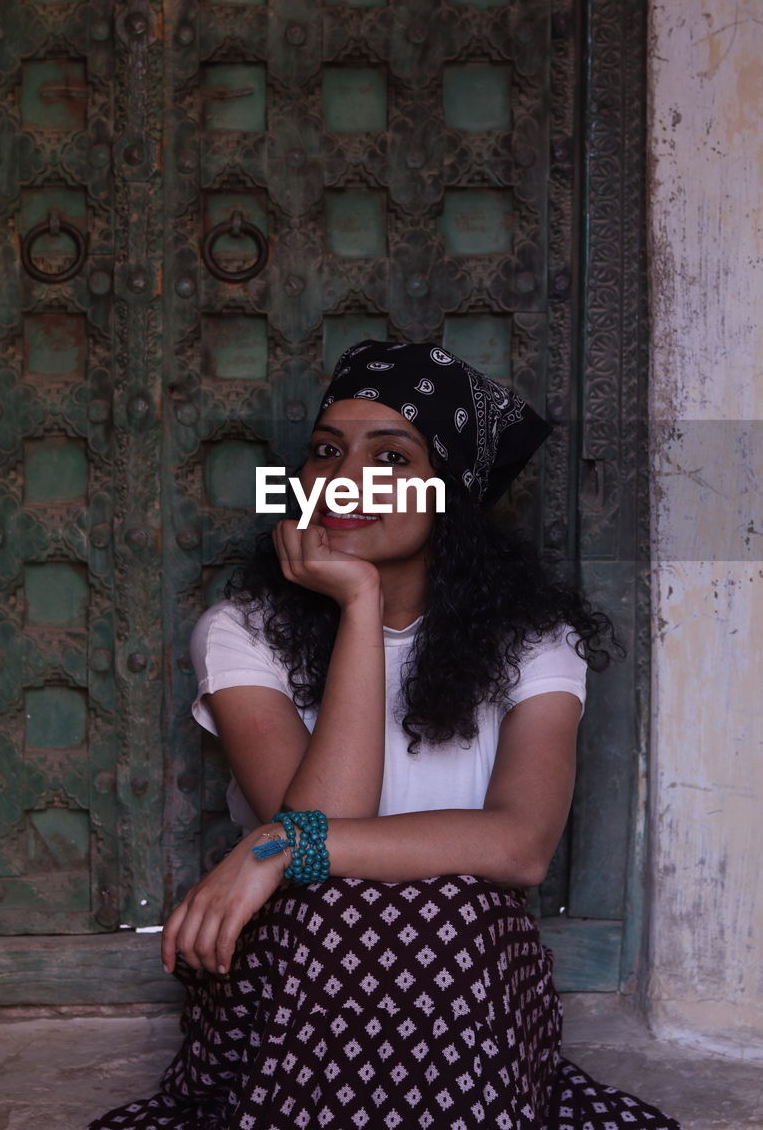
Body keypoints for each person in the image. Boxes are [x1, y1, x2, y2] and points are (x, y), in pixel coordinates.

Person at [90, 340, 681, 1130]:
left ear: (450, 495)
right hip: (295, 980)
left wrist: (269, 848)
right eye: (327, 452)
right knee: (334, 910)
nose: (342, 478)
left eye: (390, 457)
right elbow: (320, 834)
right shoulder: (241, 632)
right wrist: (359, 608)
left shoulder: (535, 641)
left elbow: (519, 847)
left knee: (456, 911)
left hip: (467, 979)